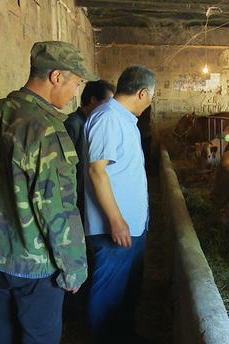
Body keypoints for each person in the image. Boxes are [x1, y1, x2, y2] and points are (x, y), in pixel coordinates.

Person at [0, 41, 98, 344]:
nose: (76, 92)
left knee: (4, 331)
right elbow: (57, 208)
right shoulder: (46, 128)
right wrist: (73, 268)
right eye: (76, 83)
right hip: (35, 262)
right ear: (57, 77)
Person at [82, 65, 155, 342]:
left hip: (130, 227)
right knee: (108, 293)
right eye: (151, 97)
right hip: (113, 229)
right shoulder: (108, 118)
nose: (150, 103)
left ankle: (124, 336)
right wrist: (116, 220)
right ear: (142, 92)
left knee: (126, 291)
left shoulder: (123, 119)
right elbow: (96, 171)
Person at [64, 80, 115, 221]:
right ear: (93, 100)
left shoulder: (91, 124)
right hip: (76, 196)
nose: (110, 109)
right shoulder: (73, 124)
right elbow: (67, 167)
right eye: (107, 102)